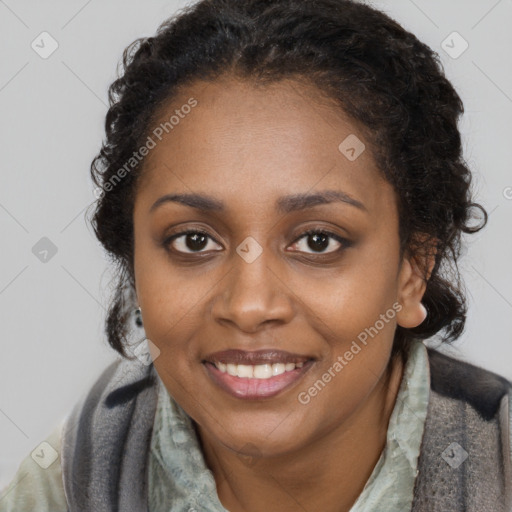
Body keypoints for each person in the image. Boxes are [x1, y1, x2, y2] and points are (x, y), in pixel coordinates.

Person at [1, 0, 511, 511]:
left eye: (318, 241)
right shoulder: (77, 478)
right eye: (193, 240)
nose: (248, 305)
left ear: (412, 270)